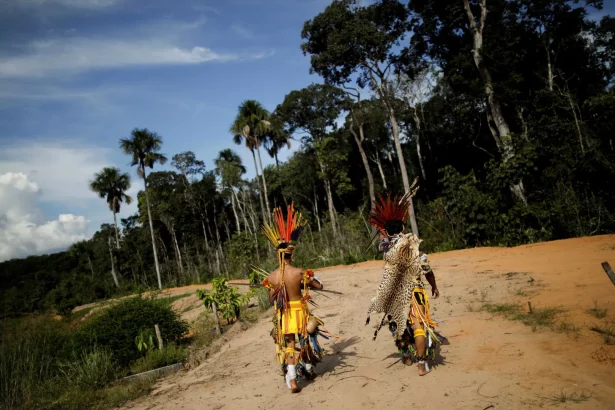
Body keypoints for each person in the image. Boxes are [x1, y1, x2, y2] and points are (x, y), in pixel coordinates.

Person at [367, 190, 444, 377]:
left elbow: (383, 241)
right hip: (415, 292)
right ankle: (420, 364)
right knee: (419, 327)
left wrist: (386, 230)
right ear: (403, 229)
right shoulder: (416, 249)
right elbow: (428, 270)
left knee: (397, 327)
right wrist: (433, 285)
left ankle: (407, 356)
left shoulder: (386, 248)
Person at [261, 204, 328, 393]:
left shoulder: (271, 277)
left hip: (284, 314)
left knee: (290, 344)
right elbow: (318, 285)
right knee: (305, 340)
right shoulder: (299, 272)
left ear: (278, 255)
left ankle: (292, 378)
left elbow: (271, 299)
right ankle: (307, 368)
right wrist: (304, 283)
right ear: (291, 254)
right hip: (299, 311)